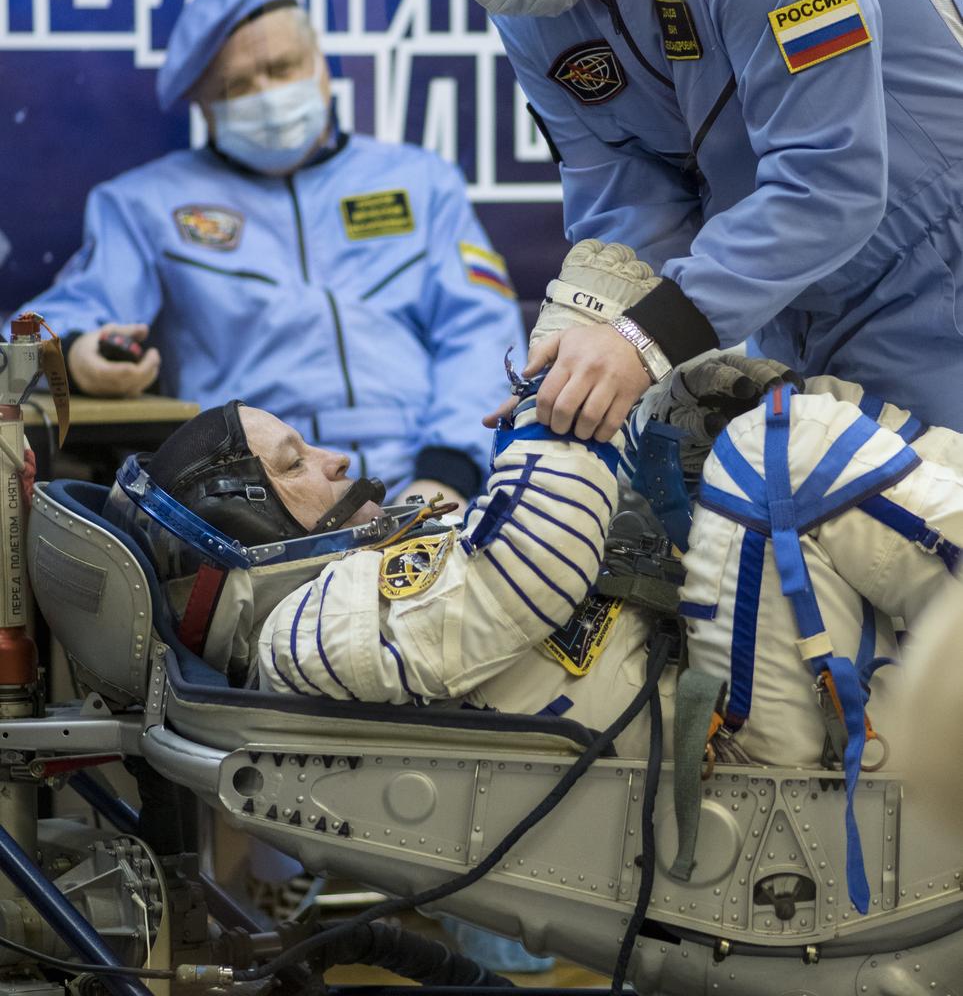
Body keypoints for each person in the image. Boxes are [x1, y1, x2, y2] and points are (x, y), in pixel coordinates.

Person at [106, 242, 961, 799]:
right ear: (239, 527)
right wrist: (574, 357)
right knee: (788, 452)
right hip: (731, 750)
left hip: (726, 694)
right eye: (293, 464)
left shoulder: (346, 594)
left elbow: (570, 561)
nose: (333, 462)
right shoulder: (308, 632)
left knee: (761, 418)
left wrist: (665, 429)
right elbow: (531, 559)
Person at [346, 0, 963, 437]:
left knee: (923, 535)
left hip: (933, 283)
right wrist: (585, 334)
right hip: (781, 308)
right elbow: (621, 193)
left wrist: (644, 340)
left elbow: (830, 176)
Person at [17, 0, 526, 506]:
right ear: (203, 107)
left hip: (431, 482)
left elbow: (479, 333)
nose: (268, 93)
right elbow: (32, 335)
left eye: (283, 68)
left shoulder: (421, 181)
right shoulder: (143, 204)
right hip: (252, 499)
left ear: (322, 66)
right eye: (238, 85)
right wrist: (77, 357)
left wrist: (448, 472)